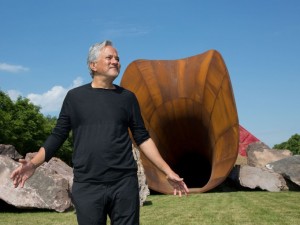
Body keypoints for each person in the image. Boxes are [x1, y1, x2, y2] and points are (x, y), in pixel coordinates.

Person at [10, 40, 189, 225]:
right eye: (109, 57)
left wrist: (168, 171)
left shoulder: (127, 98)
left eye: (117, 58)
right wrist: (33, 165)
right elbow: (58, 135)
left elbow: (142, 138)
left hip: (124, 183)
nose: (115, 61)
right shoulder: (75, 97)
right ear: (93, 65)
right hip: (88, 185)